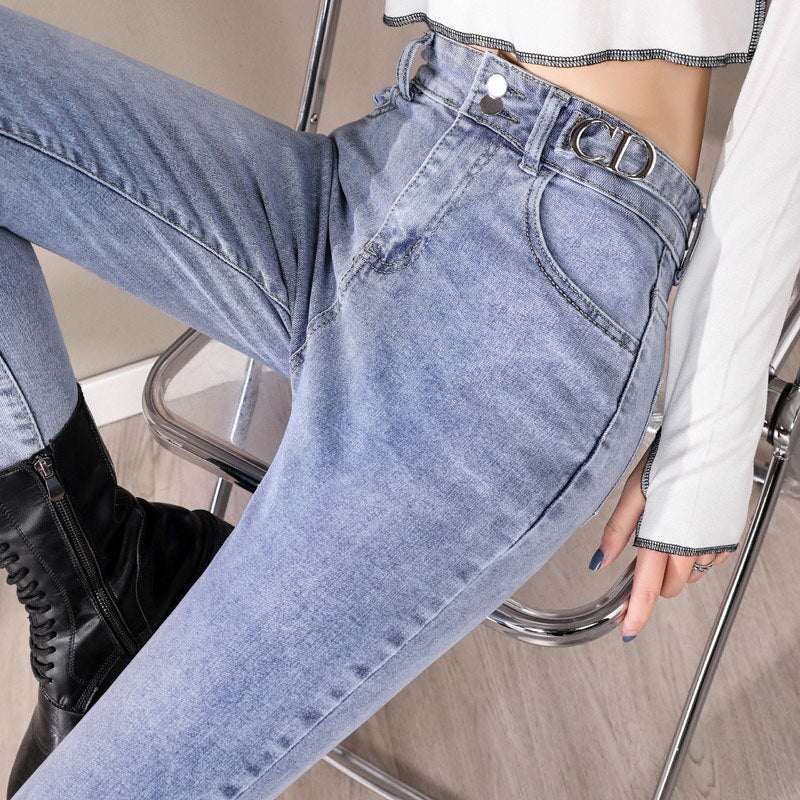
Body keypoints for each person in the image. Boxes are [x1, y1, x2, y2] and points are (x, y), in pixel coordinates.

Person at [0, 0, 792, 797]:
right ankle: (102, 588)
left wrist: (709, 439)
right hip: (406, 142)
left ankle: (111, 599)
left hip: (549, 276)